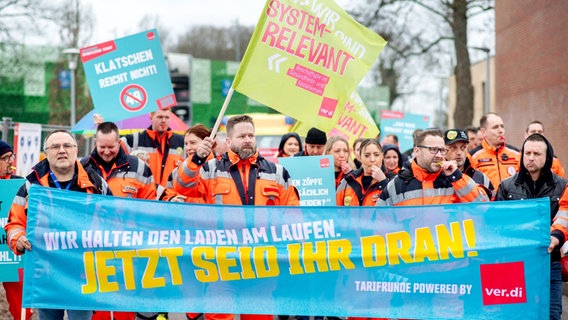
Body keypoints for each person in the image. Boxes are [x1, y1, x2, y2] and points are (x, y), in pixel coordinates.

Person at [173, 115, 299, 320]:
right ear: (229, 141)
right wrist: (196, 159)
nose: (248, 139)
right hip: (221, 262)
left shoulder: (277, 172)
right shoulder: (208, 169)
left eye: (251, 135)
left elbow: (293, 216)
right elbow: (181, 187)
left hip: (262, 263)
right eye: (242, 136)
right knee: (219, 316)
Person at [4, 130, 111, 320]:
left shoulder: (96, 183)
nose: (62, 151)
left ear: (76, 150)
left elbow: (113, 219)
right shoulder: (31, 185)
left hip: (83, 273)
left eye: (67, 146)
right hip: (46, 274)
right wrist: (18, 239)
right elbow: (15, 223)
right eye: (55, 147)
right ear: (46, 152)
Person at [495, 133, 567, 320]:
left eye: (537, 154)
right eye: (527, 153)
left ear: (548, 158)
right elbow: (497, 224)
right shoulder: (506, 187)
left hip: (549, 262)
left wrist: (556, 238)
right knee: (515, 314)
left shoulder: (562, 186)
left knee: (551, 314)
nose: (531, 158)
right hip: (514, 263)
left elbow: (565, 217)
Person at [377, 128, 490, 206]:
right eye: (433, 150)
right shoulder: (396, 185)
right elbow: (380, 224)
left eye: (442, 150)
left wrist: (457, 178)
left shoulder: (455, 180)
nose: (440, 155)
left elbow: (483, 206)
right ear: (417, 151)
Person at [0, 140, 33, 320]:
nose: (10, 162)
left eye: (10, 157)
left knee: (20, 305)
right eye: (4, 158)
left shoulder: (20, 184)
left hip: (12, 255)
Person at [82, 121, 156, 200]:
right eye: (102, 147)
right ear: (96, 142)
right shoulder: (83, 167)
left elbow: (149, 205)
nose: (107, 152)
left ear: (119, 142)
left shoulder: (139, 168)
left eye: (111, 147)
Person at [120, 108, 185, 187]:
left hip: (171, 197)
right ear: (151, 116)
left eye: (167, 117)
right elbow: (110, 148)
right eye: (160, 117)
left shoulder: (182, 142)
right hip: (144, 195)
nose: (164, 120)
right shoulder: (134, 140)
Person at [469, 112, 520, 190]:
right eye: (495, 127)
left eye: (502, 126)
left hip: (511, 201)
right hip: (486, 201)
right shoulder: (472, 156)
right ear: (483, 132)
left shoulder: (516, 153)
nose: (501, 131)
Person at [336, 138, 388, 206]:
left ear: (382, 156)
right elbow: (336, 210)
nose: (372, 159)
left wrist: (384, 182)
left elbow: (396, 210)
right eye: (367, 155)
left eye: (376, 155)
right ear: (360, 158)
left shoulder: (392, 180)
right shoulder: (348, 181)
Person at [444, 129, 494, 198]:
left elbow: (491, 205)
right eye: (453, 148)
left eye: (463, 147)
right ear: (444, 150)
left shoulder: (481, 178)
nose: (459, 152)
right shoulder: (436, 176)